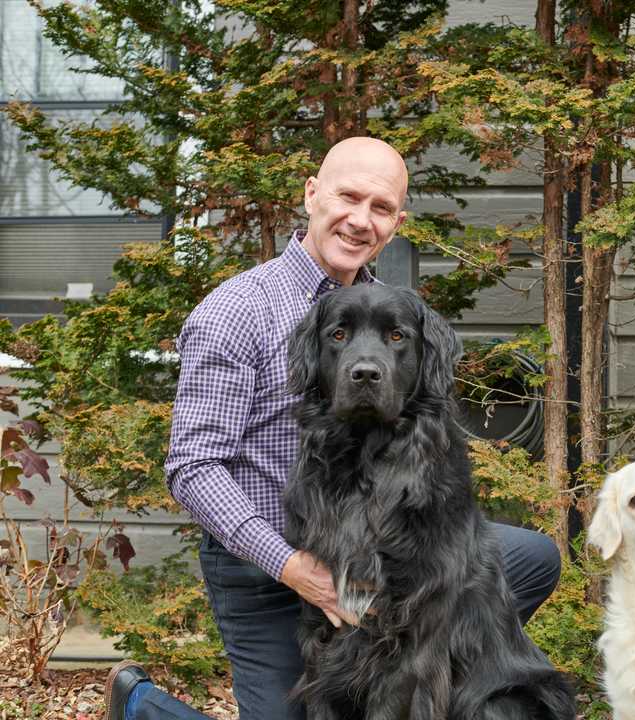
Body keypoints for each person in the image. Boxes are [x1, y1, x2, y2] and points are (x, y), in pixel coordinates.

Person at [104, 137, 561, 720]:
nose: (359, 220)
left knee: (530, 557)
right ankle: (142, 707)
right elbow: (193, 466)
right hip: (269, 564)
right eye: (348, 197)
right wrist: (299, 571)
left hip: (369, 555)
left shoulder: (390, 312)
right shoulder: (238, 310)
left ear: (395, 224)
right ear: (313, 194)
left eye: (379, 208)